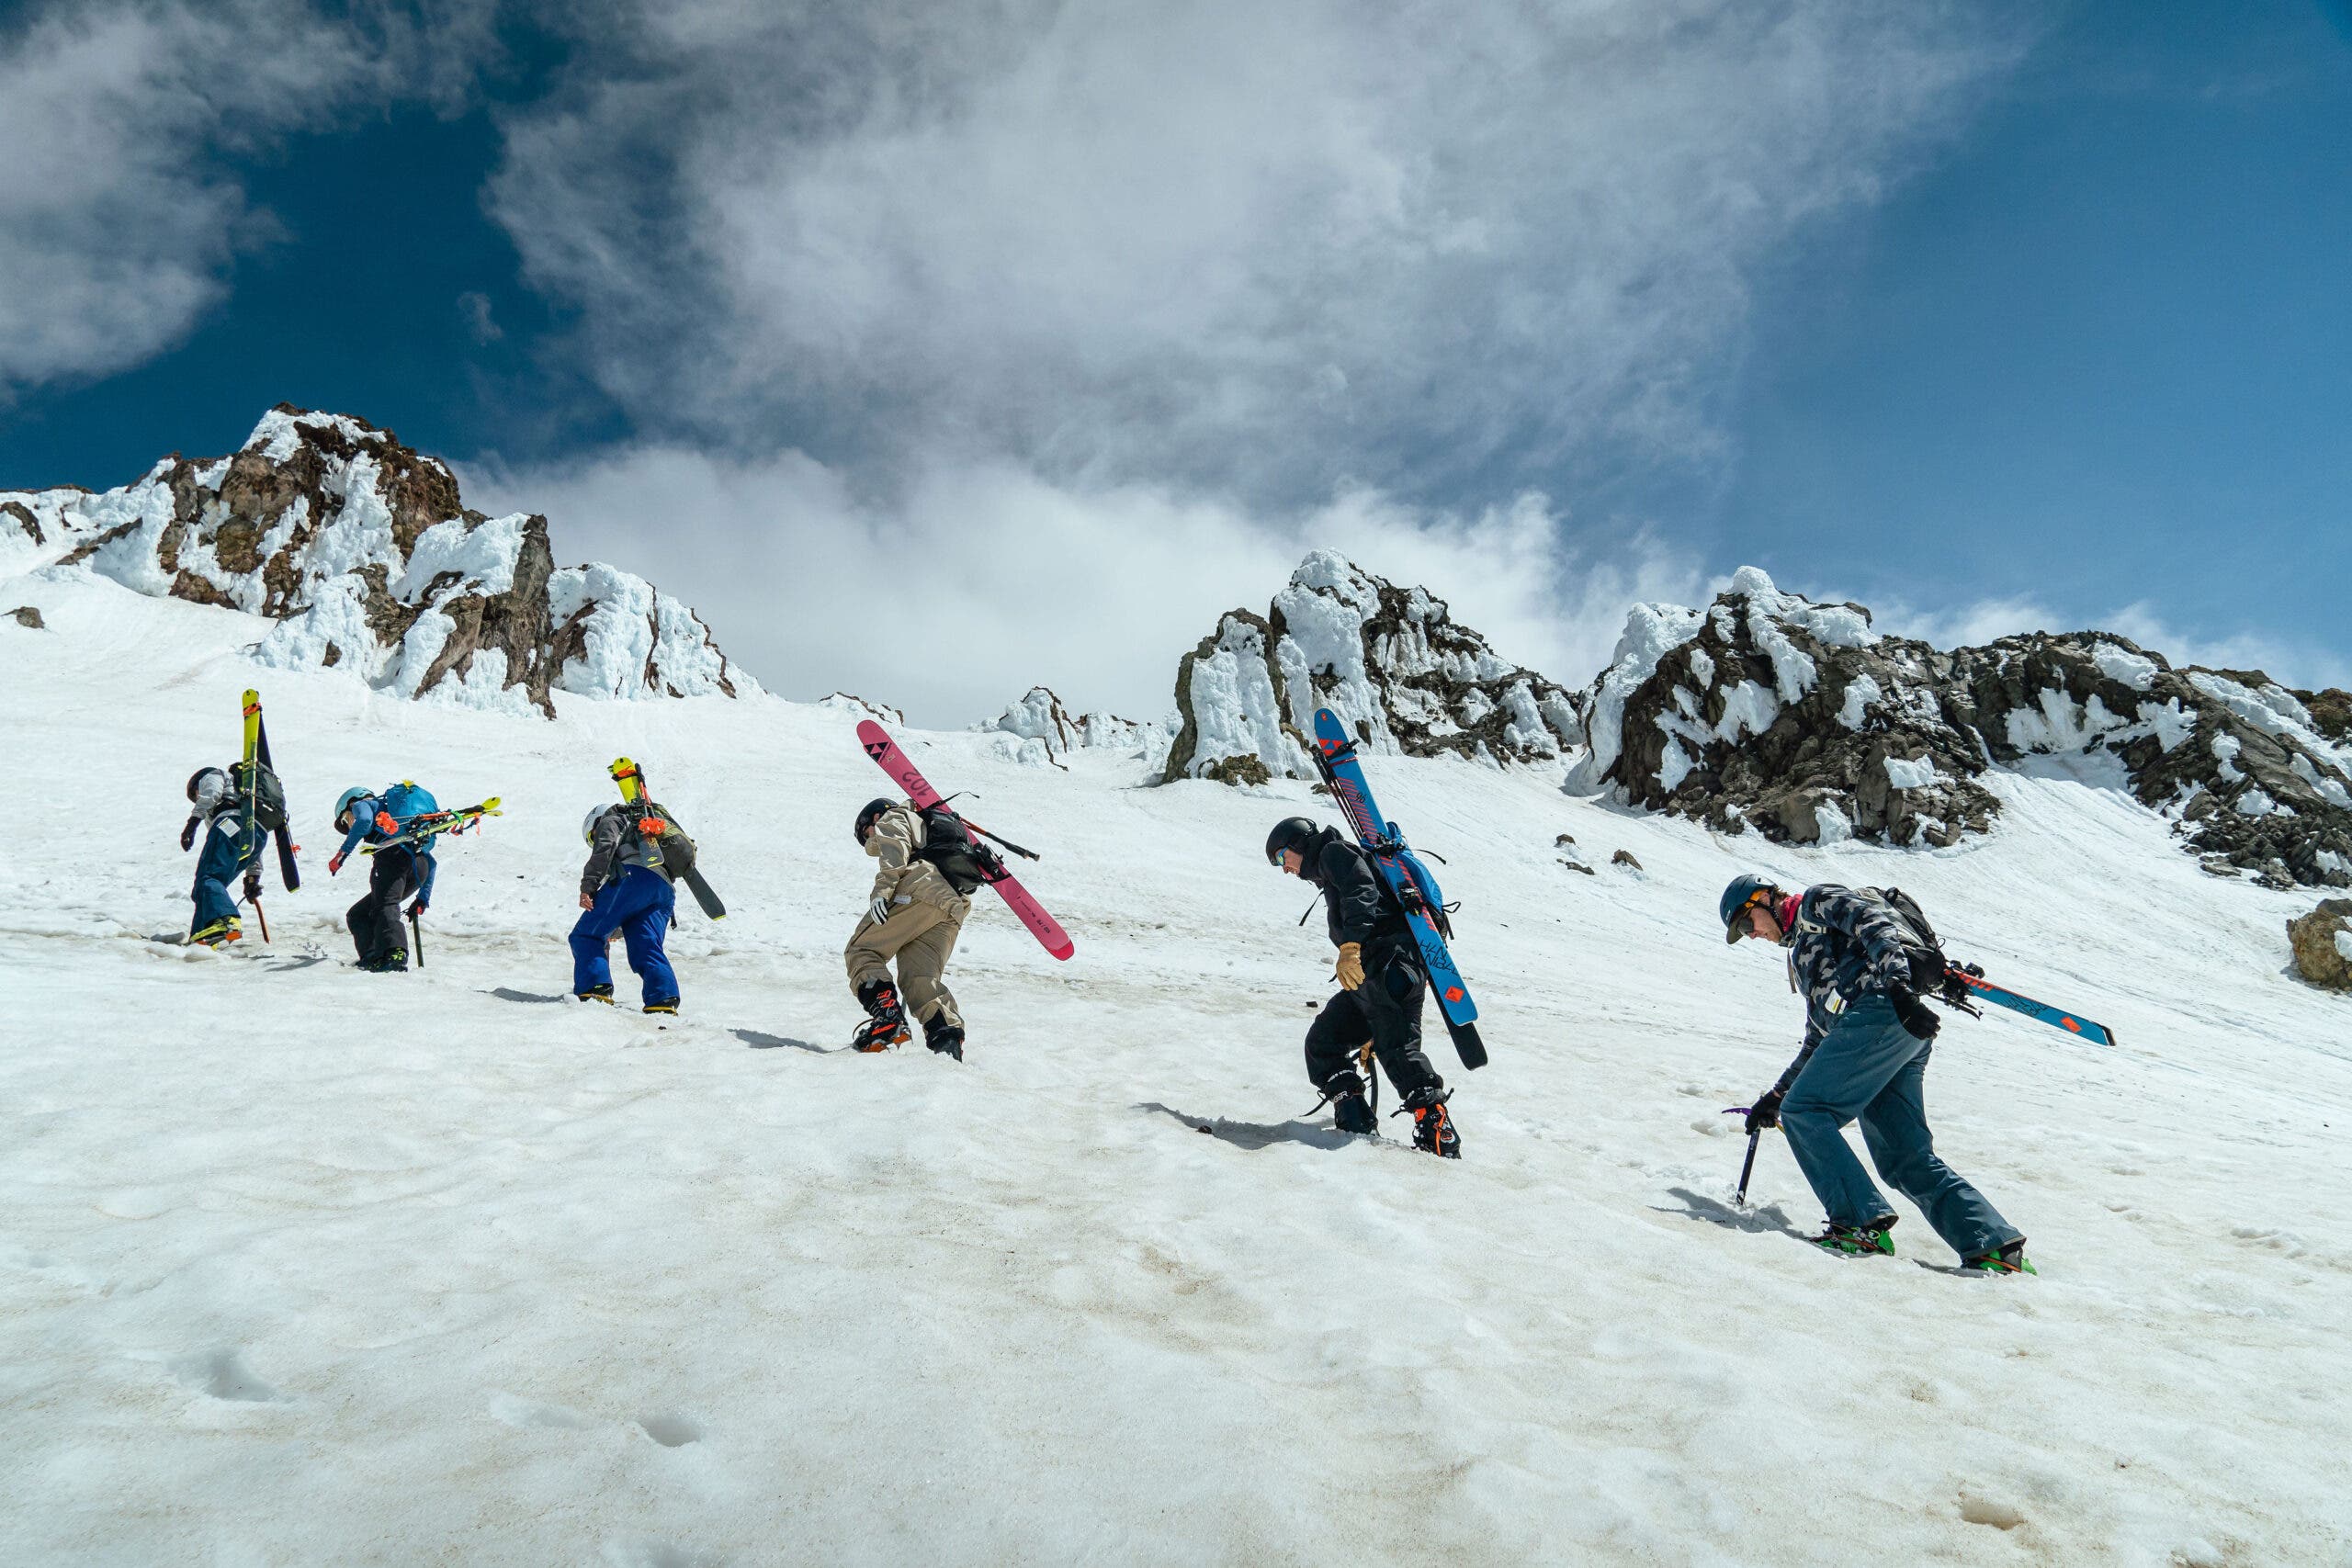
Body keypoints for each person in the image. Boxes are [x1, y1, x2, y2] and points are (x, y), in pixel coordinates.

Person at [1723, 874, 2031, 1273]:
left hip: (1885, 1013)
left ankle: (1858, 1226)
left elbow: (1873, 923)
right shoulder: (1805, 955)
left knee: (1807, 1111)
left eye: (1747, 924)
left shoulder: (1817, 902)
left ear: (1765, 899)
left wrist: (1900, 986)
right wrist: (1777, 1096)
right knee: (1901, 1155)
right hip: (1895, 1031)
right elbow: (1819, 1037)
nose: (1751, 935)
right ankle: (1992, 1245)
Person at [1267, 816, 1458, 1157]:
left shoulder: (1333, 852)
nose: (1284, 869)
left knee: (1398, 1051)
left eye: (1282, 858)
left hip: (1389, 966)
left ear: (1297, 844)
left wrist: (1351, 945)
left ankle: (1439, 1134)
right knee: (1323, 1042)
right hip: (1372, 977)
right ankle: (1355, 1123)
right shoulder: (1329, 867)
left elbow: (1362, 891)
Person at [845, 796, 972, 1059]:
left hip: (920, 888)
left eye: (866, 832)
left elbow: (895, 849)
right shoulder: (926, 828)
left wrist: (883, 890)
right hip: (951, 907)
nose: (868, 840)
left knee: (862, 950)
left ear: (875, 817)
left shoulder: (894, 816)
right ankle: (947, 1043)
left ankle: (888, 1019)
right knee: (920, 979)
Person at [571, 800, 683, 1013]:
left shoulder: (612, 819)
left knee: (586, 935)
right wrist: (616, 926)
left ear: (596, 822)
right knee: (647, 945)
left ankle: (595, 987)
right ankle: (663, 998)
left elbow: (604, 849)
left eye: (593, 837)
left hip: (633, 876)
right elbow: (631, 909)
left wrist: (588, 886)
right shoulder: (645, 829)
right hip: (664, 890)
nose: (595, 840)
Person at [326, 783, 442, 972]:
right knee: (358, 914)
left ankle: (396, 953)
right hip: (419, 866)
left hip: (392, 858)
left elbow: (363, 821)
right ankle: (373, 956)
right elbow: (432, 864)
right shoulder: (404, 829)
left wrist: (342, 854)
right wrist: (422, 899)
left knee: (385, 905)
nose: (350, 825)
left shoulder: (362, 804)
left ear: (350, 804)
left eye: (347, 820)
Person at [182, 766, 266, 948]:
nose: (197, 799)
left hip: (231, 822)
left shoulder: (214, 775)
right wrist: (252, 878)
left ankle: (226, 921)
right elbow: (251, 846)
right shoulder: (246, 800)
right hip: (259, 834)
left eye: (195, 795)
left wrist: (191, 825)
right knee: (206, 887)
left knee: (208, 877)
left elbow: (210, 794)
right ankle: (201, 934)